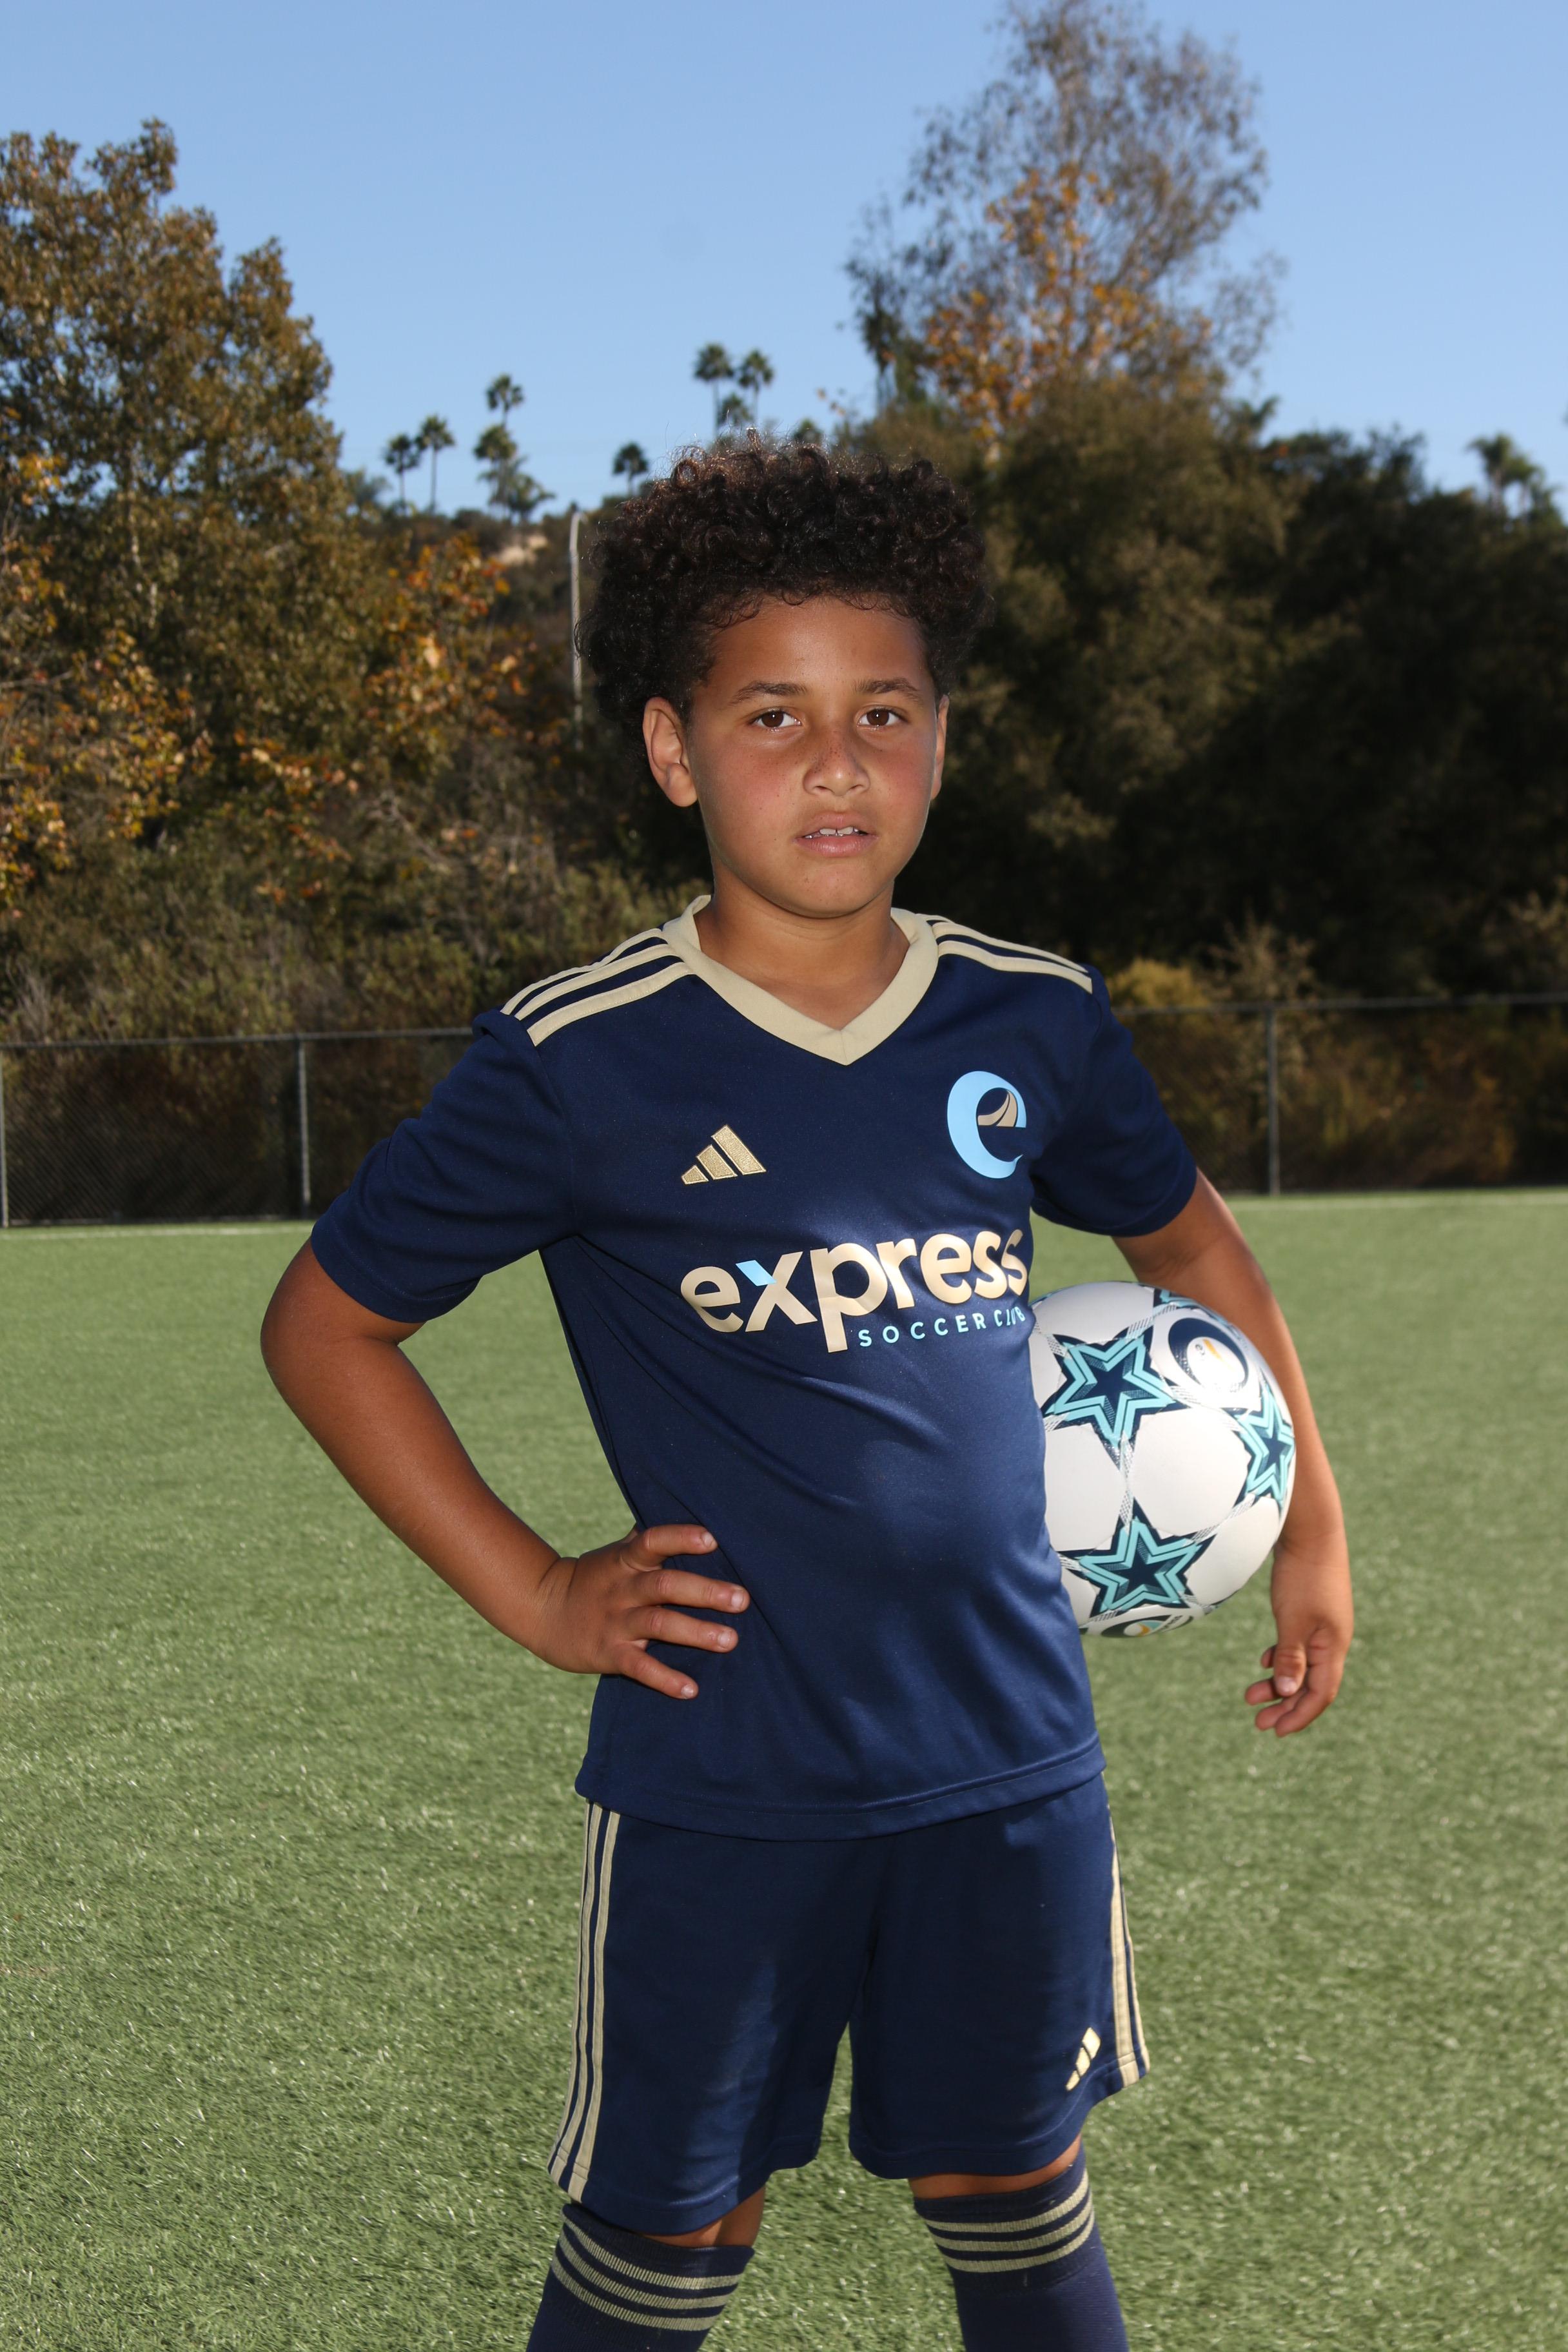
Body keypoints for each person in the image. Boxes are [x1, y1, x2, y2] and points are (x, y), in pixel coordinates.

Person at [261, 440, 1352, 2351]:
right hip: (728, 1777)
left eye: (884, 713)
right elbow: (324, 1327)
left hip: (1013, 1760)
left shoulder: (1032, 1016)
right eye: (774, 715)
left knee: (1019, 2194)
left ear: (941, 741)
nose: (836, 763)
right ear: (676, 750)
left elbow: (1195, 1247)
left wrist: (1313, 1530)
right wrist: (539, 1591)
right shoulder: (579, 1061)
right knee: (669, 2233)